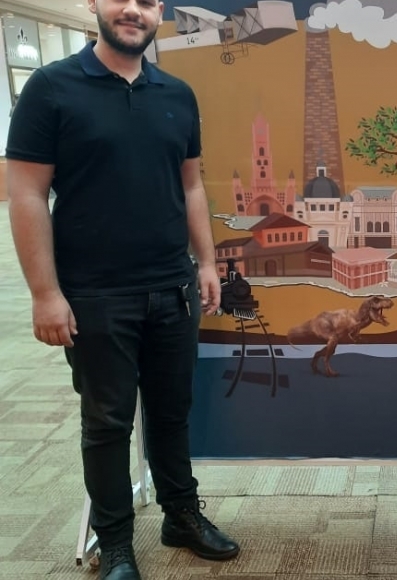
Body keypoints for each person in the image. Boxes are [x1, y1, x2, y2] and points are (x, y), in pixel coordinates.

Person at [5, 1, 240, 579]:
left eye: (149, 1)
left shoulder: (176, 93)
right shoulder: (50, 88)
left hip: (172, 286)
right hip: (94, 294)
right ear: (93, 3)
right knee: (108, 423)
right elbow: (27, 193)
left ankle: (180, 515)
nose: (134, 10)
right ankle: (114, 544)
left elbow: (190, 184)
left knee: (172, 411)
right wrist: (44, 293)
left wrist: (207, 262)